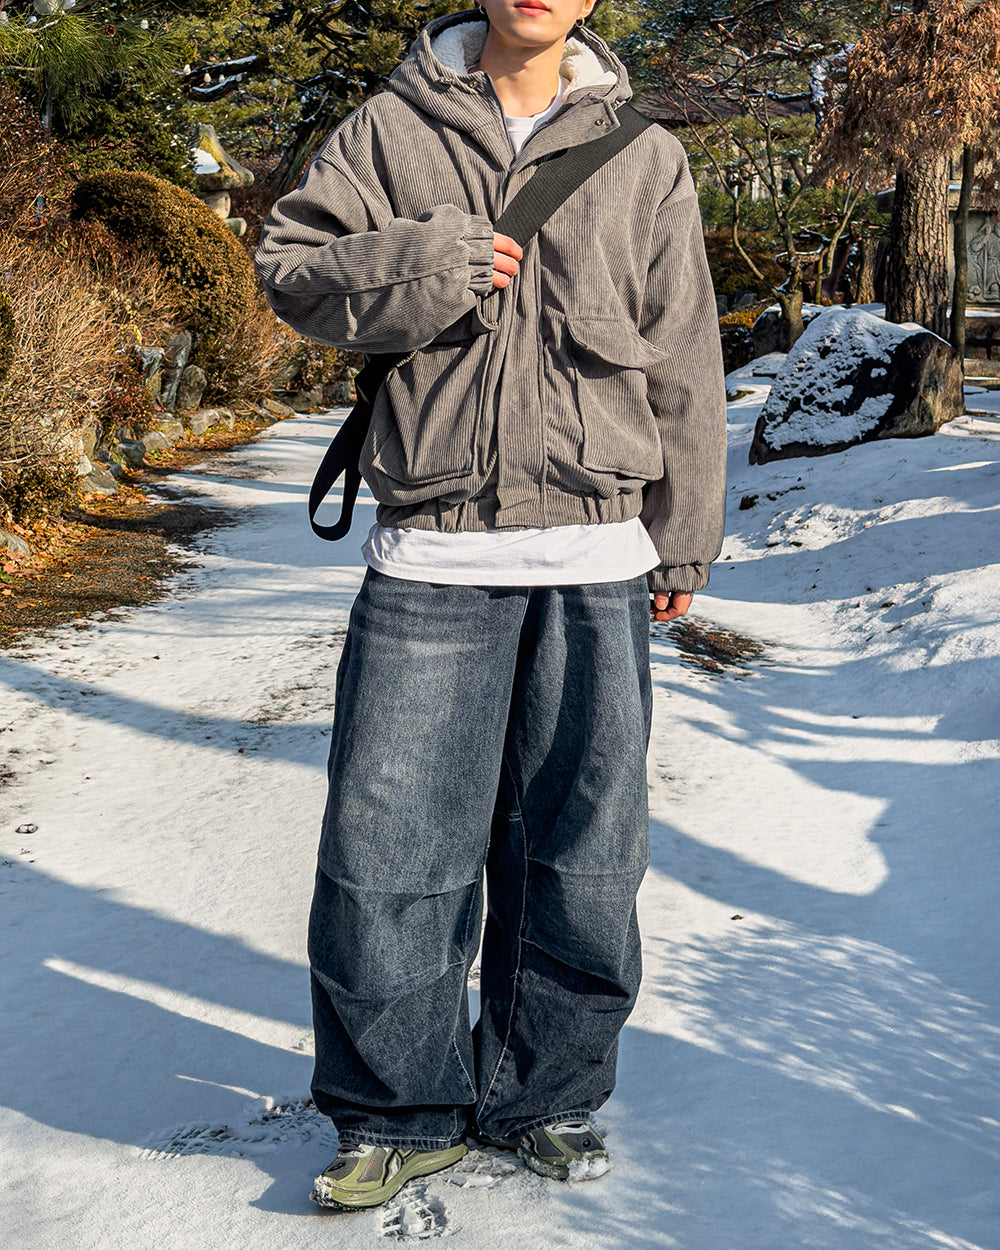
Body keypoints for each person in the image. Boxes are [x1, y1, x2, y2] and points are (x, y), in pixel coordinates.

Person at [254, 0, 726, 1211]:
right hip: (435, 551)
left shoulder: (645, 154)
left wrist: (683, 528)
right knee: (388, 853)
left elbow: (682, 348)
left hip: (596, 548)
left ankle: (545, 1093)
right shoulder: (387, 127)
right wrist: (434, 264)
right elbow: (291, 270)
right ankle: (394, 1105)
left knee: (584, 851)